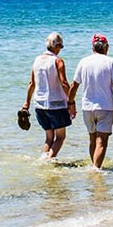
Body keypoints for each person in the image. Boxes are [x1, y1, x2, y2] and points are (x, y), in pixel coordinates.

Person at [70, 34, 113, 170]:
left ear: (92, 47)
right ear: (106, 47)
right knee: (101, 142)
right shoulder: (111, 62)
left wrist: (70, 103)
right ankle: (96, 171)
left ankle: (95, 167)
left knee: (92, 140)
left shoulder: (83, 62)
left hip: (87, 107)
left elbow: (74, 85)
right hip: (105, 107)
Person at [23, 32, 73, 160]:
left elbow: (31, 84)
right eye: (61, 47)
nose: (60, 50)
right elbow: (64, 83)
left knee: (49, 137)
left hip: (39, 105)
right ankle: (49, 160)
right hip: (56, 105)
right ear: (56, 46)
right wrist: (71, 102)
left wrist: (26, 104)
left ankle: (44, 157)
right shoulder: (58, 61)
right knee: (61, 137)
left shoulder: (37, 60)